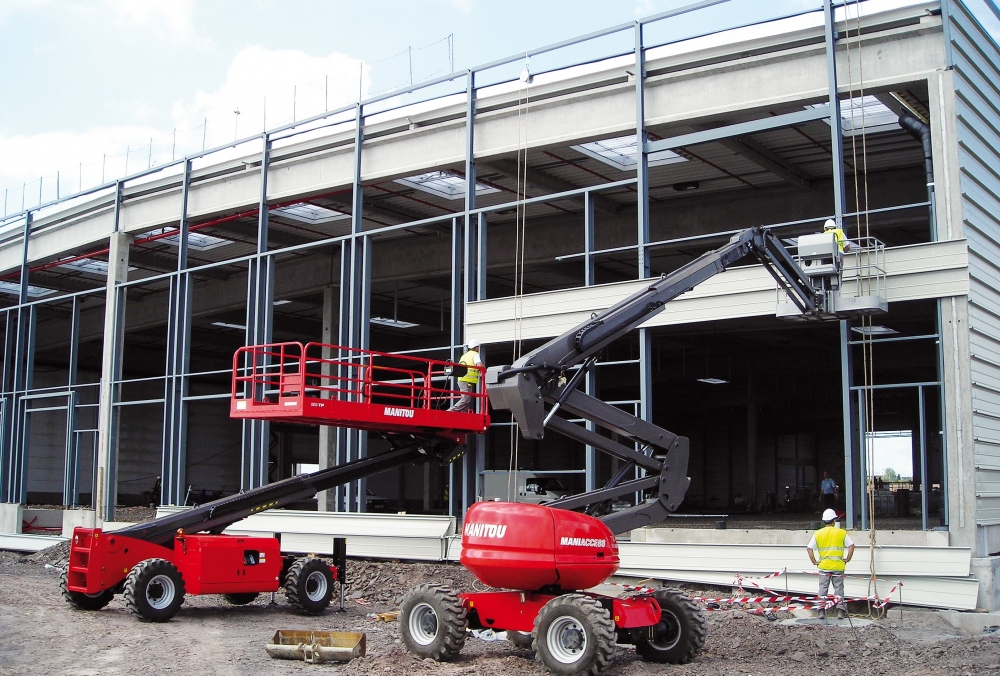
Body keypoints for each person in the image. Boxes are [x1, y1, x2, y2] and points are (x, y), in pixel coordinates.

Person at [806, 508, 855, 619]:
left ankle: (821, 611)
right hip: (838, 566)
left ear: (824, 521)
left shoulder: (818, 533)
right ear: (834, 521)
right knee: (839, 589)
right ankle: (841, 611)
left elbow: (809, 548)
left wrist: (814, 562)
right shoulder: (841, 533)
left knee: (823, 589)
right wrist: (847, 559)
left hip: (824, 566)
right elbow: (851, 546)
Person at [449, 339, 483, 412]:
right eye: (478, 347)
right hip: (466, 380)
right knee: (466, 399)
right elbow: (479, 365)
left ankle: (462, 415)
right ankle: (451, 410)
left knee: (467, 399)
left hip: (463, 379)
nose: (478, 348)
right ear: (476, 347)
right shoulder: (475, 354)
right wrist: (485, 370)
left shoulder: (464, 356)